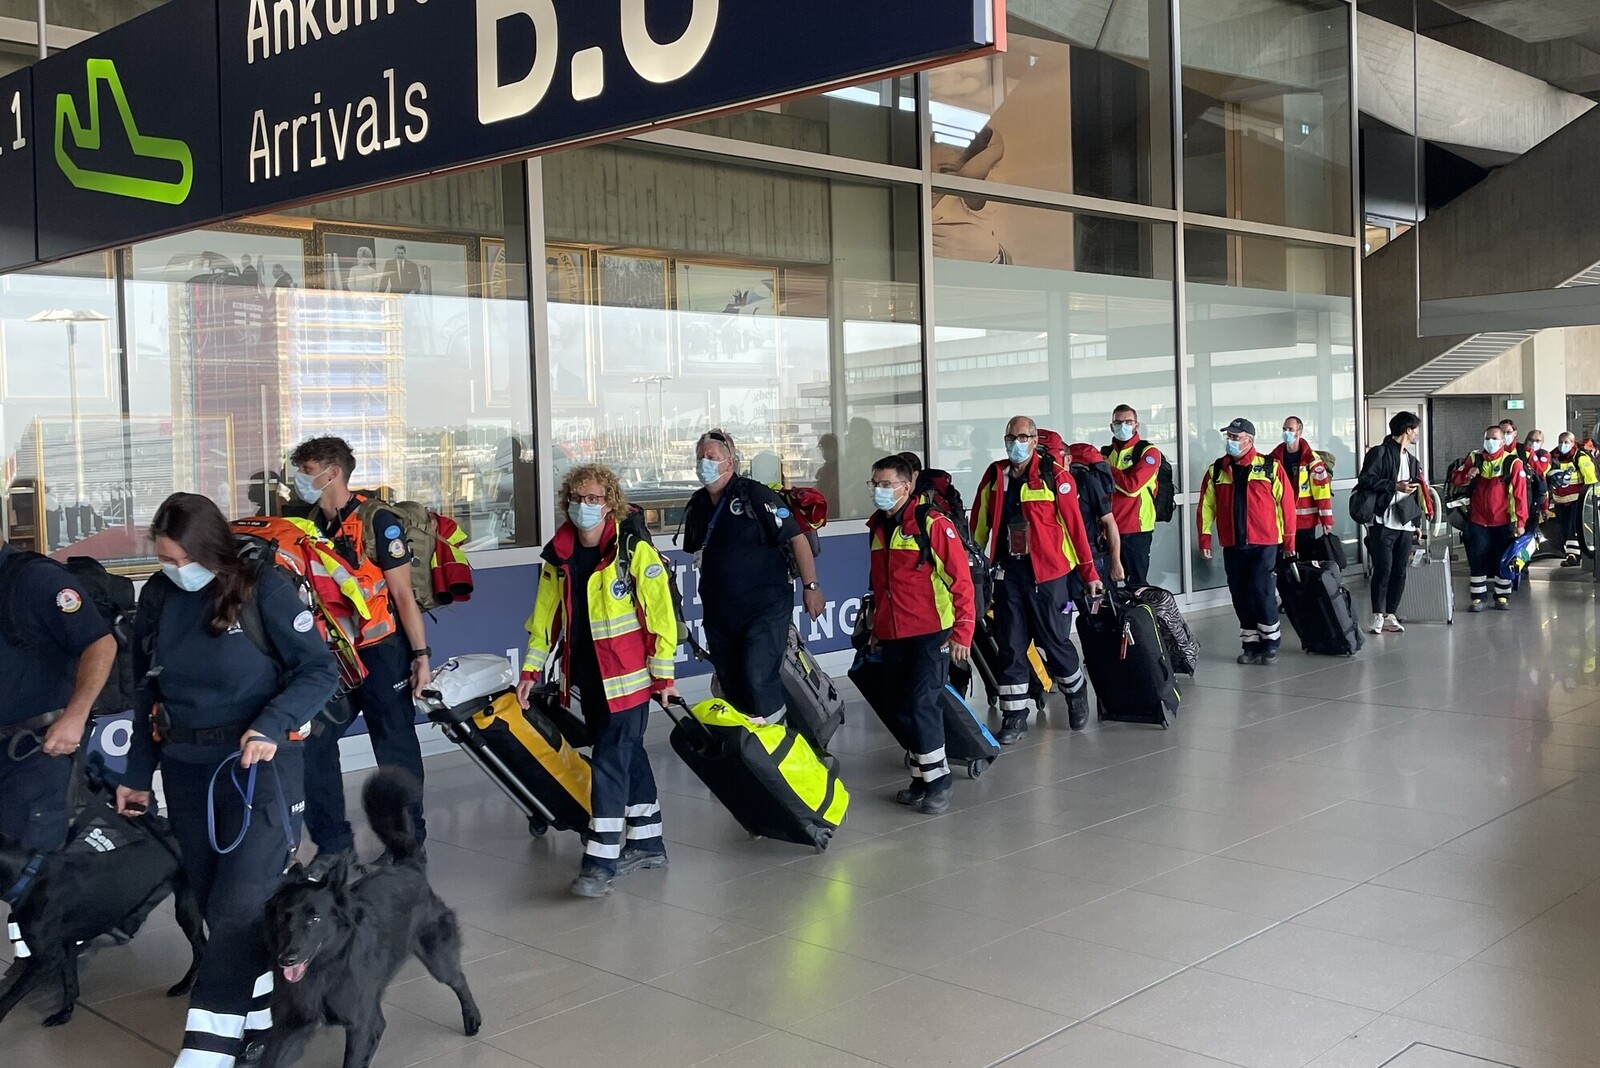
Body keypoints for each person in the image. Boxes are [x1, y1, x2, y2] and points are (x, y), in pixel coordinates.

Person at [116, 493, 338, 1068]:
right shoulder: (159, 598)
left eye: (178, 559)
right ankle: (265, 1019)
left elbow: (320, 670)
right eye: (162, 560)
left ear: (209, 550)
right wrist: (137, 774)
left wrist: (271, 724)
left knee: (240, 909)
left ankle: (206, 1055)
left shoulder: (265, 589)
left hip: (259, 772)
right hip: (188, 774)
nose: (171, 570)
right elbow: (148, 693)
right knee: (220, 908)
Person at [516, 465, 677, 897]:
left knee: (609, 759)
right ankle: (648, 841)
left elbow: (662, 617)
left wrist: (664, 675)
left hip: (630, 679)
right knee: (627, 752)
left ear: (610, 503)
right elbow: (543, 620)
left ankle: (600, 860)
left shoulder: (631, 550)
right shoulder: (559, 555)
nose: (584, 506)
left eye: (593, 499)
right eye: (576, 497)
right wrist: (530, 671)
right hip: (589, 677)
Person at [289, 436, 432, 869]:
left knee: (394, 747)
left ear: (332, 472)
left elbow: (403, 596)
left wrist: (421, 655)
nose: (298, 480)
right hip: (335, 657)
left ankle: (408, 846)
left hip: (383, 651)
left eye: (305, 470)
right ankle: (334, 846)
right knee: (316, 741)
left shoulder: (379, 521)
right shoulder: (308, 526)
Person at [970, 416, 1103, 744]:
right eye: (1011, 437)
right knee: (1011, 647)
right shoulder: (994, 476)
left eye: (1024, 437)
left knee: (1054, 642)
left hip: (1049, 575)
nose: (1017, 443)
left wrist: (1089, 573)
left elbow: (1076, 529)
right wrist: (972, 567)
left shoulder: (1055, 476)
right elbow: (980, 524)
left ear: (1034, 440)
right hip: (1008, 574)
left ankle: (1075, 691)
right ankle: (1014, 716)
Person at [681, 430, 822, 724]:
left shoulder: (753, 495)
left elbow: (797, 538)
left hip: (765, 606)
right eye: (700, 458)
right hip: (720, 612)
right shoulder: (697, 505)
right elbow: (698, 550)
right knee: (731, 683)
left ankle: (780, 743)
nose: (704, 463)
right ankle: (750, 751)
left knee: (758, 675)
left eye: (712, 457)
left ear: (729, 463)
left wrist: (811, 586)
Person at [865, 455, 975, 815]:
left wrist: (962, 631)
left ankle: (939, 781)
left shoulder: (932, 525)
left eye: (886, 484)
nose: (879, 491)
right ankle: (920, 777)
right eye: (875, 484)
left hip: (931, 634)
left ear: (906, 486)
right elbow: (881, 586)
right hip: (893, 634)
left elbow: (961, 582)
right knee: (900, 707)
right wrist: (877, 630)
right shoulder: (879, 527)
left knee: (920, 704)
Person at [1198, 419, 1295, 665]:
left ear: (1249, 440)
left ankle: (1270, 642)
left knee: (1261, 591)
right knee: (1240, 593)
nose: (1229, 441)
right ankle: (1250, 644)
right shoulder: (1217, 470)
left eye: (1235, 437)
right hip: (1233, 543)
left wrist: (1289, 541)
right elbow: (1206, 506)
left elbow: (1286, 505)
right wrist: (1205, 537)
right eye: (1228, 436)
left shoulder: (1270, 467)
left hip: (1264, 543)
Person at [1357, 412, 1430, 635]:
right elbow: (1365, 479)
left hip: (1406, 523)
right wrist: (1393, 486)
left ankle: (1391, 613)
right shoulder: (1380, 453)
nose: (1417, 432)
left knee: (1399, 570)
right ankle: (1377, 614)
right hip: (1383, 521)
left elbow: (1418, 492)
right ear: (1407, 430)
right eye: (1415, 429)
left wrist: (1417, 522)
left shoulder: (1412, 459)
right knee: (1383, 568)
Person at [1448, 425, 1529, 612]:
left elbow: (1520, 495)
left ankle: (1502, 596)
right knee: (1477, 559)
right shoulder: (1474, 459)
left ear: (1503, 441)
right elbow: (1456, 479)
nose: (1490, 442)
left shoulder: (1512, 463)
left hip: (1504, 520)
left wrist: (1520, 522)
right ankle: (1478, 597)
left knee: (1503, 559)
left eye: (1494, 438)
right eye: (1487, 438)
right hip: (1478, 520)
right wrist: (1468, 475)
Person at [1103, 405, 1161, 587]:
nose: (1123, 426)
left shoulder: (1148, 452)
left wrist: (1108, 468)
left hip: (1137, 530)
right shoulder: (1106, 453)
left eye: (1128, 422)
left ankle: (1140, 616)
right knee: (1106, 586)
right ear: (1112, 426)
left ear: (1137, 425)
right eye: (1118, 422)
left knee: (1136, 586)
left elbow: (1132, 487)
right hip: (1107, 530)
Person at [1270, 416, 1335, 557]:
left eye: (1290, 429)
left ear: (1299, 432)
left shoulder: (1311, 460)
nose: (1286, 432)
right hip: (1281, 520)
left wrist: (1326, 520)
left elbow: (1322, 492)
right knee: (1284, 562)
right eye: (1284, 429)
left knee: (1305, 561)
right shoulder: (1274, 457)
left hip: (1305, 522)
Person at [1549, 431, 1598, 565]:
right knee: (1564, 528)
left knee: (1572, 528)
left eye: (1566, 442)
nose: (1562, 445)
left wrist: (1591, 498)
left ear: (1573, 442)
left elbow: (1590, 478)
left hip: (1576, 500)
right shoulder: (1553, 456)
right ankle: (1569, 553)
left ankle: (1573, 556)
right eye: (1560, 442)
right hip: (1559, 500)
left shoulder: (1580, 457)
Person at [1523, 430, 1552, 533]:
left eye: (1537, 440)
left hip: (1536, 494)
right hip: (1522, 494)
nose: (1533, 443)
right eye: (1531, 439)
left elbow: (1540, 470)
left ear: (1542, 442)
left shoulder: (1544, 454)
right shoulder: (1520, 451)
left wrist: (1530, 454)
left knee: (1532, 525)